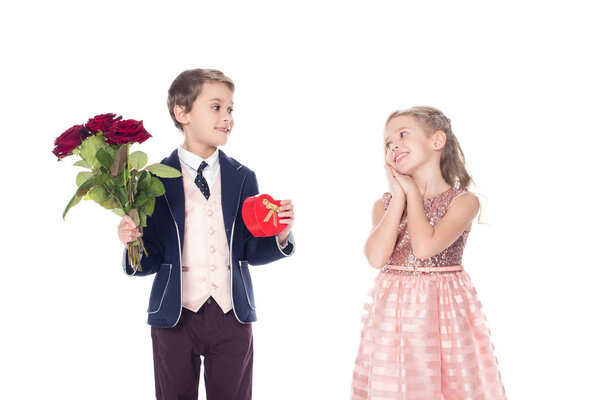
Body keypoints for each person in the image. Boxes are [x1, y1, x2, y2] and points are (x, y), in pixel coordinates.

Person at [117, 68, 295, 400]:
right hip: (175, 315)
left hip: (233, 315)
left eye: (230, 109)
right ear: (182, 113)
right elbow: (150, 258)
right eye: (216, 107)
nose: (227, 117)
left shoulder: (243, 178)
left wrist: (280, 236)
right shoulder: (150, 181)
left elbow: (250, 251)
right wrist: (133, 241)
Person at [351, 106, 505, 399]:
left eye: (402, 134)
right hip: (392, 312)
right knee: (396, 385)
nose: (393, 144)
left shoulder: (463, 202)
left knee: (443, 384)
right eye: (387, 142)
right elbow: (375, 258)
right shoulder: (384, 205)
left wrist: (413, 196)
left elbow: (424, 248)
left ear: (436, 142)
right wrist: (399, 197)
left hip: (442, 309)